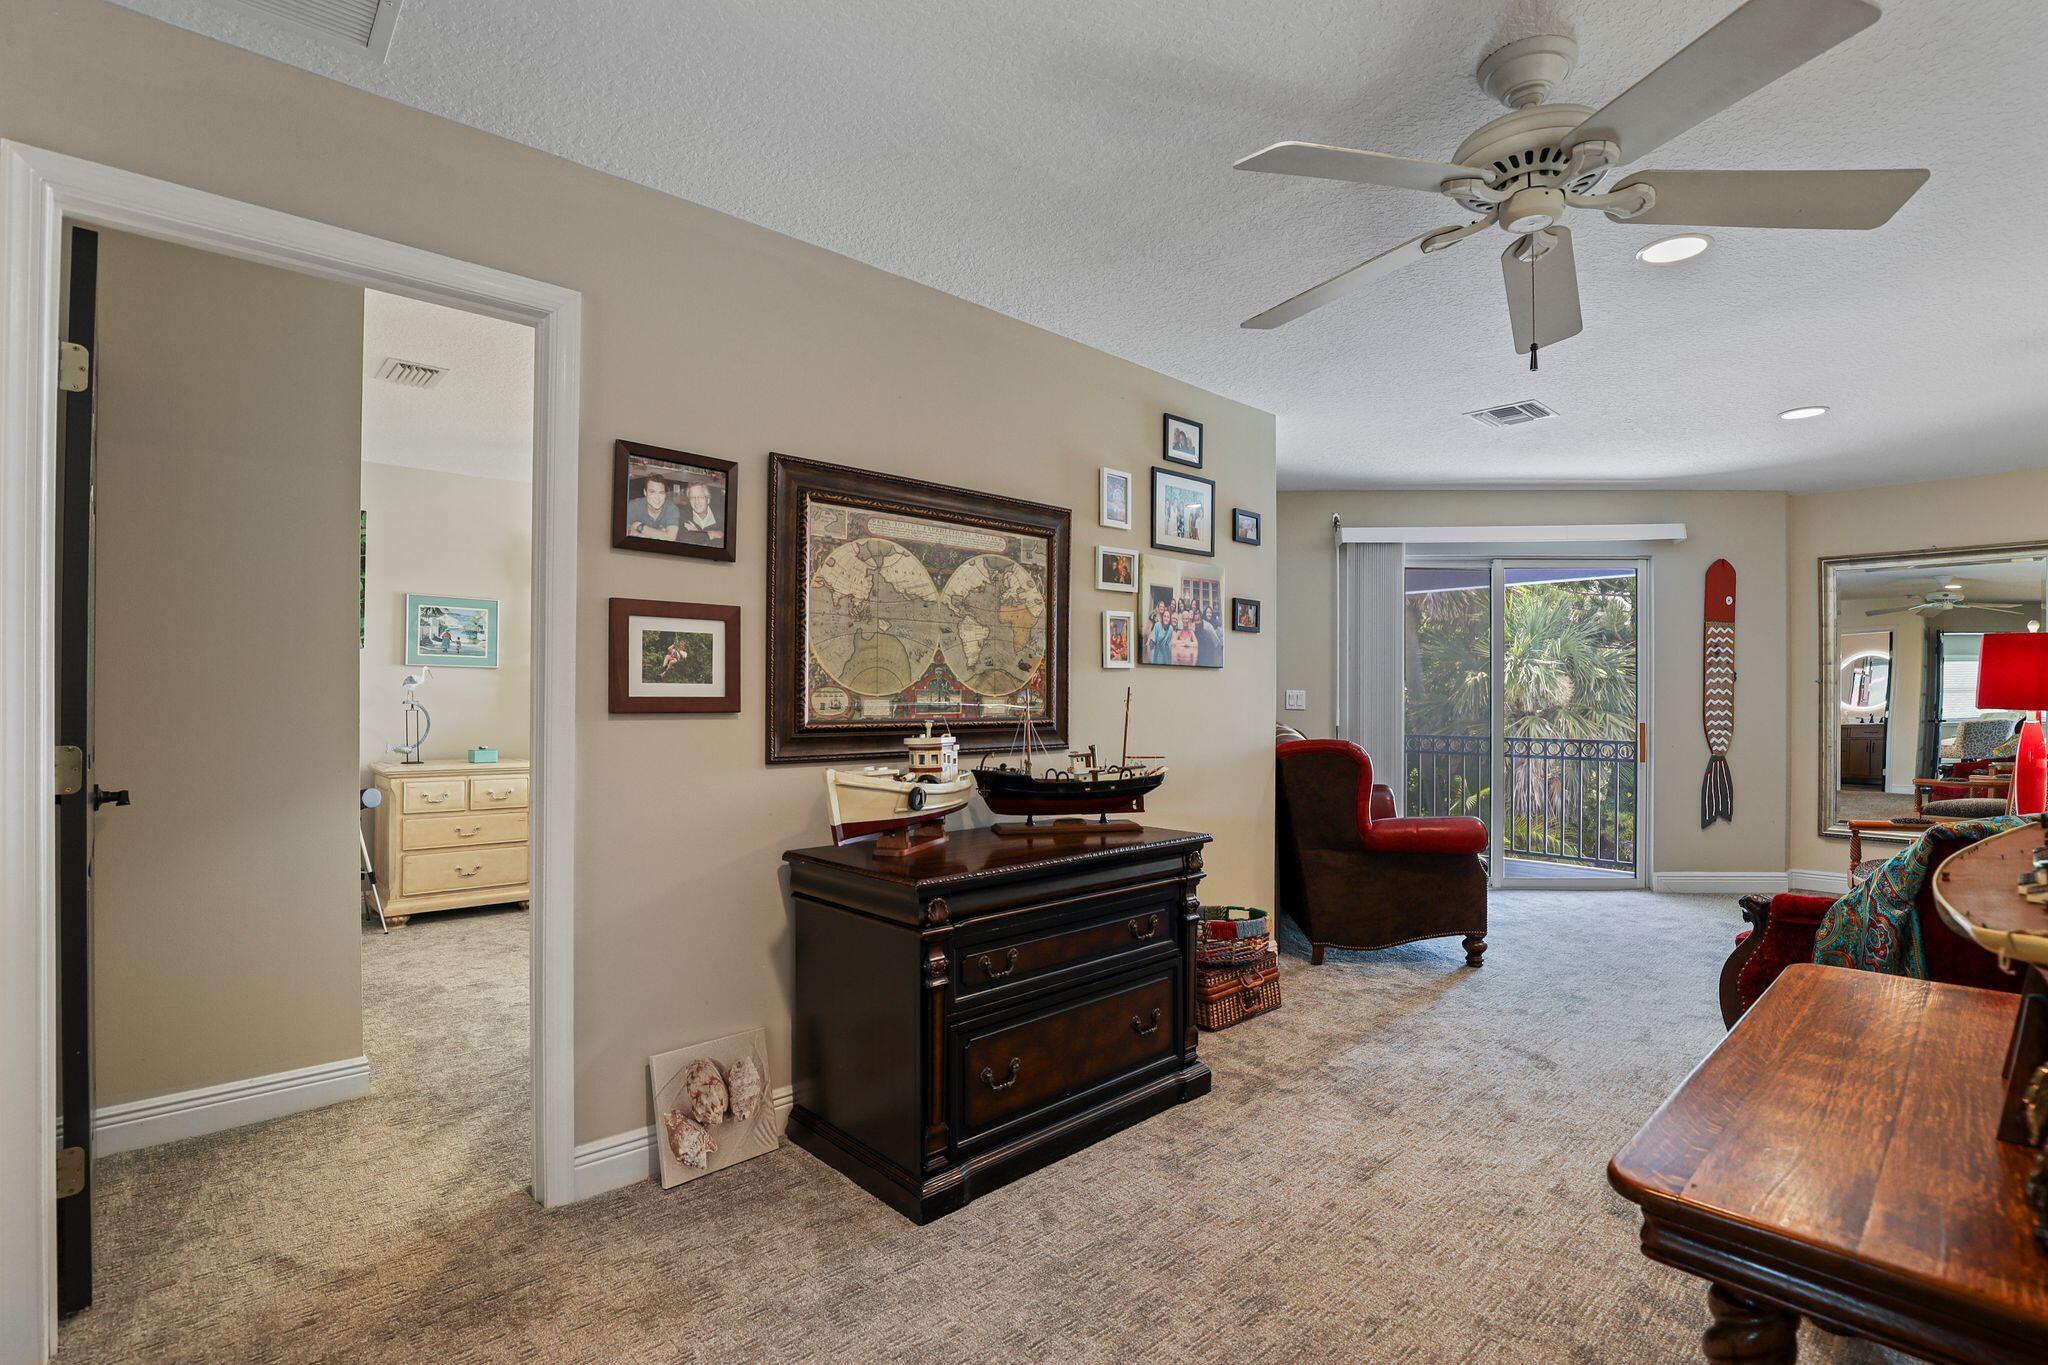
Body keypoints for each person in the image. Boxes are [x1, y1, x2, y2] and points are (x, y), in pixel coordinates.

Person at [626, 473, 682, 540]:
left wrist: (639, 526)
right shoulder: (634, 506)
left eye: (661, 492)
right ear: (645, 492)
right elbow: (625, 533)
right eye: (652, 492)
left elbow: (671, 538)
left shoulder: (671, 508)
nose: (657, 497)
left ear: (665, 494)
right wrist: (661, 534)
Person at [678, 480, 723, 545]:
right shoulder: (683, 515)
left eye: (701, 497)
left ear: (708, 500)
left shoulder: (721, 515)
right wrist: (711, 534)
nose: (697, 502)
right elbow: (682, 539)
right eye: (693, 498)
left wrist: (697, 535)